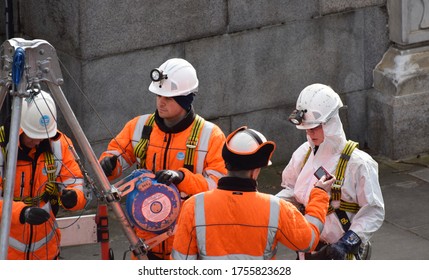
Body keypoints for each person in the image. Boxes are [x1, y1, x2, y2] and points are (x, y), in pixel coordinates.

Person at [99, 58, 227, 260]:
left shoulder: (210, 135)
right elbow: (117, 154)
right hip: (143, 244)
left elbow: (219, 186)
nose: (161, 101)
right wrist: (109, 163)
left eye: (168, 97)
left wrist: (182, 178)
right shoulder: (139, 127)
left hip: (187, 246)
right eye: (159, 94)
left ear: (186, 99)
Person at [171, 126, 334, 260]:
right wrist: (320, 193)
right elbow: (308, 240)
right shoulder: (276, 209)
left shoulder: (193, 206)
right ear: (256, 171)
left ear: (226, 164)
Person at [277, 83, 385, 260]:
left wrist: (347, 243)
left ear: (331, 123)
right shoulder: (303, 154)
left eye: (315, 127)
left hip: (341, 254)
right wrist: (269, 205)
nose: (310, 134)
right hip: (308, 251)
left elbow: (373, 211)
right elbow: (290, 190)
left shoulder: (358, 163)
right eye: (306, 129)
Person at [0, 90, 88, 260]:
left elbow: (75, 181)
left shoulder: (58, 144)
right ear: (20, 126)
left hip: (47, 252)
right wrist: (22, 212)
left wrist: (73, 197)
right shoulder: (3, 149)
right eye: (33, 136)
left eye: (43, 136)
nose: (38, 141)